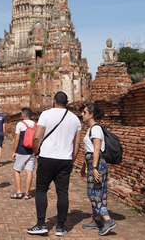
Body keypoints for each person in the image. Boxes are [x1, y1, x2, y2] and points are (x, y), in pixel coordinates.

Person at [27, 91, 82, 237]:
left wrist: (35, 151)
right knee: (62, 192)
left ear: (54, 101)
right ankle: (60, 226)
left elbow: (37, 137)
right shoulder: (75, 119)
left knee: (41, 190)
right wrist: (72, 160)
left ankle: (41, 224)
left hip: (47, 157)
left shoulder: (46, 114)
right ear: (67, 102)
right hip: (65, 159)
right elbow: (77, 143)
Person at [80, 103, 117, 236]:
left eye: (84, 112)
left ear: (91, 114)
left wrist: (94, 167)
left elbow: (96, 149)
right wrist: (85, 166)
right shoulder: (91, 129)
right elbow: (88, 150)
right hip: (92, 163)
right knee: (96, 191)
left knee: (94, 193)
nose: (82, 115)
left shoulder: (95, 129)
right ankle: (97, 221)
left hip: (98, 164)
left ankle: (108, 220)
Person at [11, 107, 36, 200]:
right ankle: (27, 193)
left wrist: (14, 151)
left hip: (21, 150)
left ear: (24, 115)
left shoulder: (20, 124)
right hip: (31, 151)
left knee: (17, 170)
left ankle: (18, 192)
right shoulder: (35, 124)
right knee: (29, 171)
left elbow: (17, 139)